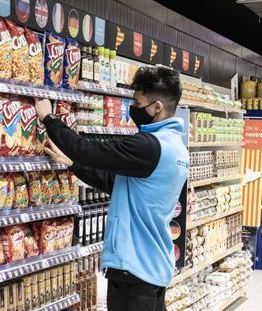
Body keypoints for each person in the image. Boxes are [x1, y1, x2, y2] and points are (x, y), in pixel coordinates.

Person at [35, 65, 189, 311]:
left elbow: (88, 149)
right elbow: (117, 184)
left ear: (157, 107)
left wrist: (48, 118)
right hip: (153, 265)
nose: (133, 110)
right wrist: (73, 165)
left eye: (138, 104)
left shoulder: (150, 147)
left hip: (135, 269)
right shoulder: (176, 147)